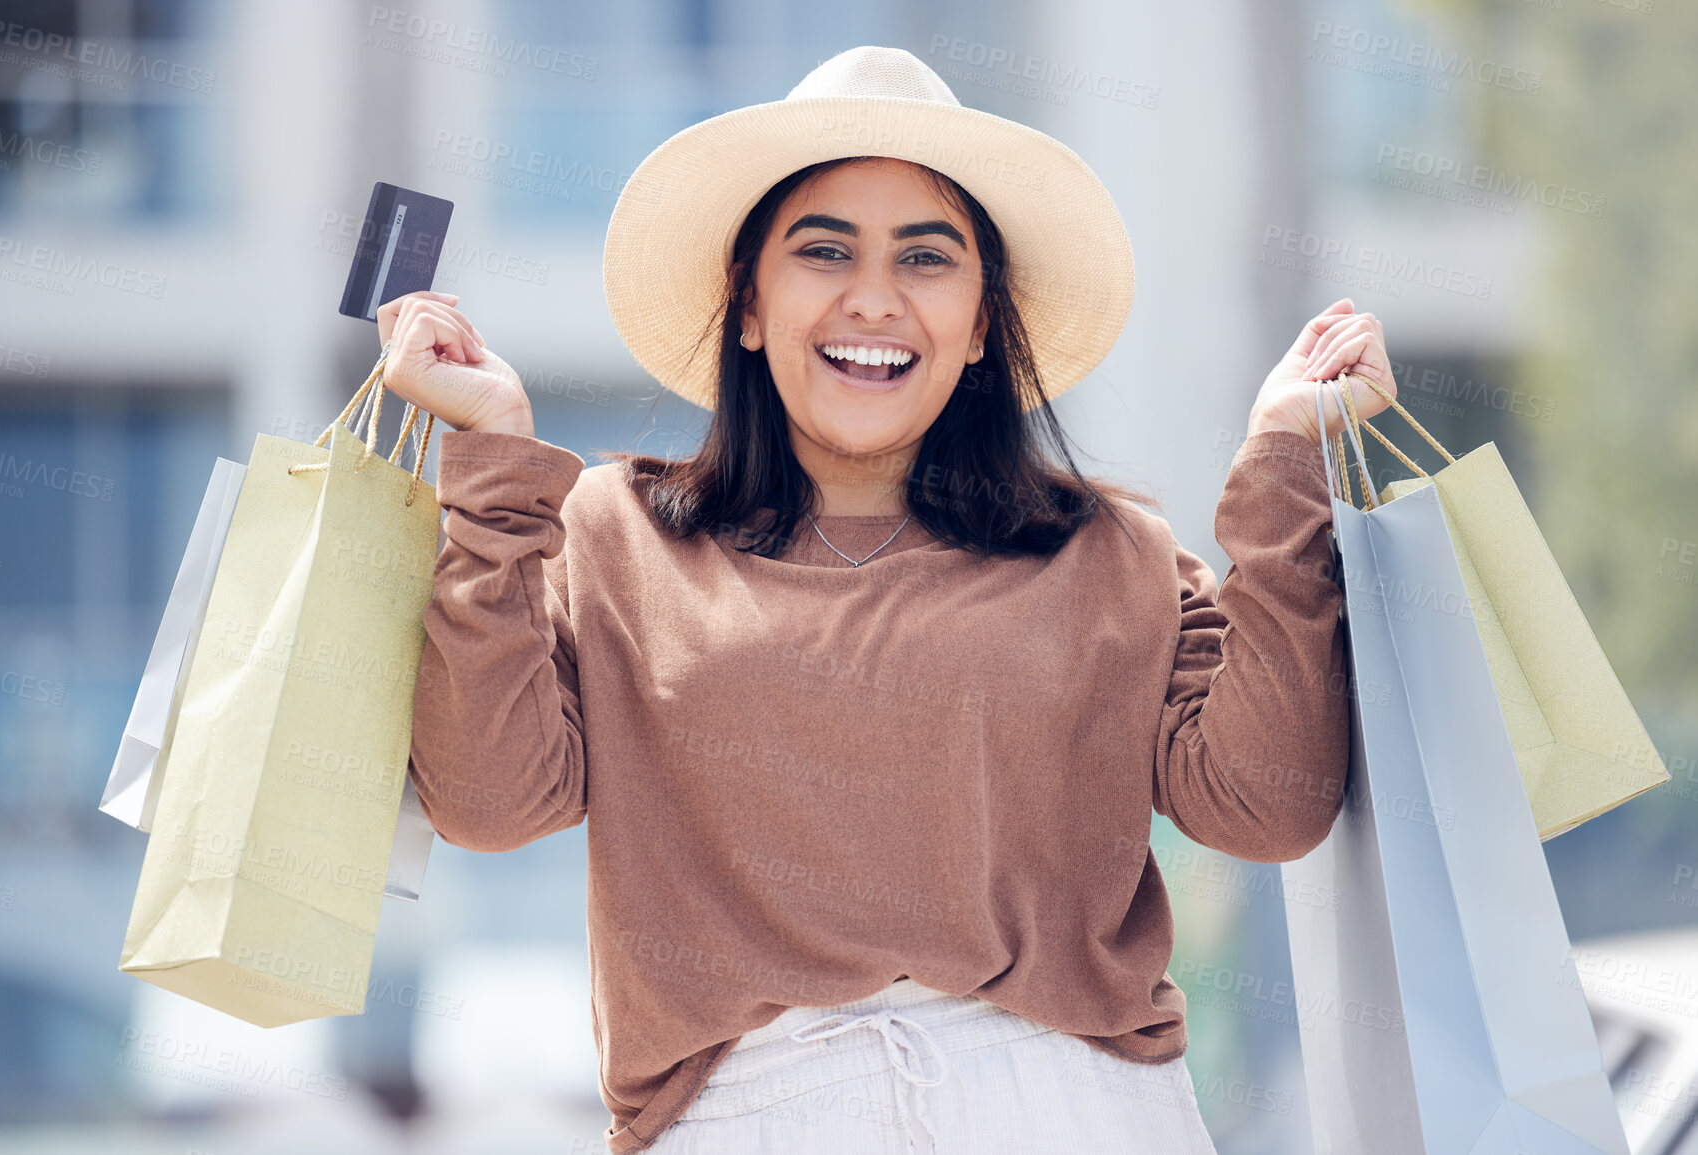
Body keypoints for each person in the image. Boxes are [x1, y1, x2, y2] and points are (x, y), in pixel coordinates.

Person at [382, 44, 1397, 1155]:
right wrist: (489, 461)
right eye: (824, 251)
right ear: (751, 306)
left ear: (977, 327)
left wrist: (1284, 468)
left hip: (1072, 1111)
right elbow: (489, 802)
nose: (874, 297)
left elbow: (1267, 806)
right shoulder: (614, 536)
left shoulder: (1113, 556)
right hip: (744, 1116)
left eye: (927, 258)